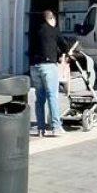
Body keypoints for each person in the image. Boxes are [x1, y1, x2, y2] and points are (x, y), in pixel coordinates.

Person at [28, 8, 73, 137]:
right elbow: (64, 45)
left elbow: (39, 47)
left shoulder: (35, 31)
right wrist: (67, 51)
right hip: (48, 66)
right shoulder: (53, 30)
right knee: (52, 96)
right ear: (51, 19)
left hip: (34, 67)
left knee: (39, 98)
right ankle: (56, 127)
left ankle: (40, 128)